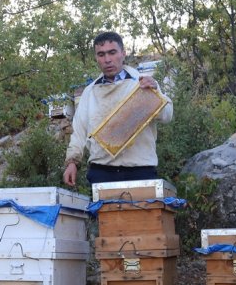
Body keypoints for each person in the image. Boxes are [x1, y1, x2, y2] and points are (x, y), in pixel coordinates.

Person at [63, 31, 173, 187]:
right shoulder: (89, 92)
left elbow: (167, 115)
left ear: (123, 53)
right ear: (96, 58)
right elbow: (79, 132)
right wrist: (72, 162)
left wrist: (154, 94)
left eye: (112, 52)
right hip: (101, 171)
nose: (107, 59)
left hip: (140, 170)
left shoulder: (143, 84)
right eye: (101, 54)